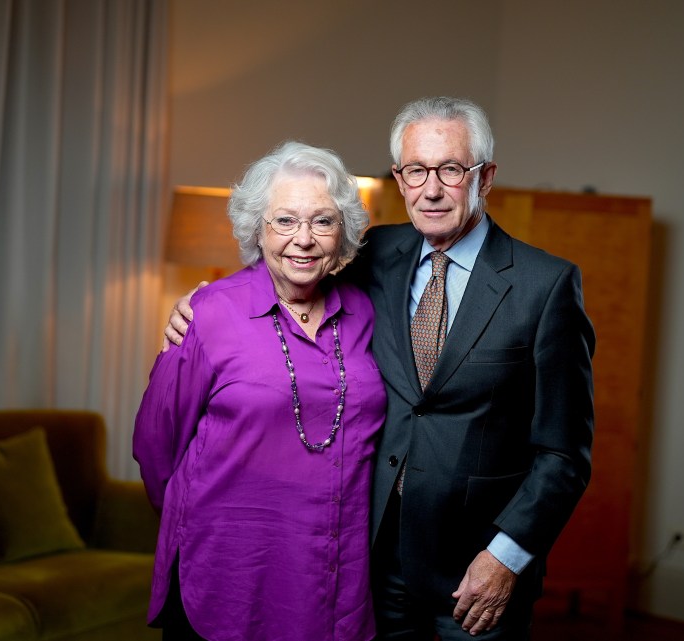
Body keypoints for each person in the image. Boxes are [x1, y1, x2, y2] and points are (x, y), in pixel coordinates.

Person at [165, 96, 595, 640]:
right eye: (416, 170)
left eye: (451, 170)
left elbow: (564, 454)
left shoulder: (545, 285)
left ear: (484, 177)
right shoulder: (374, 253)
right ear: (398, 176)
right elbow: (292, 270)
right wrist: (202, 304)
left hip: (477, 576)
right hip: (370, 563)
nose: (431, 189)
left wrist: (507, 558)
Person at [134, 141, 386, 641]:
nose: (304, 239)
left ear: (344, 232)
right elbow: (156, 445)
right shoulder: (209, 314)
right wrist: (212, 517)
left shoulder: (365, 310)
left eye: (323, 221)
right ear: (258, 227)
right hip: (229, 568)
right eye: (285, 221)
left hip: (333, 567)